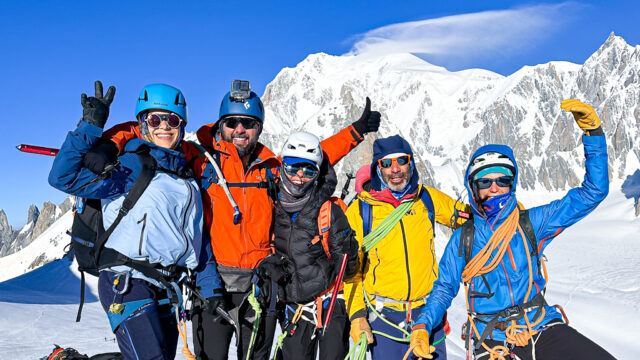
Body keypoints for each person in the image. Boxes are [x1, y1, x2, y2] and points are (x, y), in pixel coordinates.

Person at [90, 81, 382, 359]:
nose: (240, 129)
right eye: (232, 122)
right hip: (212, 284)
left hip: (260, 286)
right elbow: (151, 133)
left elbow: (309, 160)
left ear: (259, 128)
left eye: (249, 123)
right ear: (221, 125)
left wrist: (355, 133)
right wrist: (110, 143)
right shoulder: (201, 159)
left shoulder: (269, 169)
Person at [409, 99, 615, 360]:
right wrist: (422, 326)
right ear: (473, 188)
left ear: (512, 183)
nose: (494, 187)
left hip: (539, 324)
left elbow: (593, 193)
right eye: (485, 181)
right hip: (490, 337)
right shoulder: (465, 239)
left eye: (502, 180)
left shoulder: (530, 223)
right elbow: (443, 289)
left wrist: (593, 134)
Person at [48, 81, 222, 360]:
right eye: (155, 119)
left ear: (182, 125)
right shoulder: (130, 166)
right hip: (126, 282)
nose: (164, 126)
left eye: (172, 120)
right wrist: (90, 127)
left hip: (169, 287)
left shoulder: (188, 179)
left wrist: (211, 287)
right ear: (142, 123)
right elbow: (62, 177)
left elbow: (198, 244)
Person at [343, 135, 470, 359]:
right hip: (384, 318)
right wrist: (356, 316)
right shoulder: (361, 211)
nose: (395, 169)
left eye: (401, 160)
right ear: (377, 167)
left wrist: (505, 210)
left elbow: (467, 217)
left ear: (410, 162)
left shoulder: (426, 198)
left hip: (428, 313)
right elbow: (352, 272)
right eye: (386, 163)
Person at [258, 131, 359, 359]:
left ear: (317, 173)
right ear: (283, 167)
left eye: (309, 170)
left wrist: (349, 253)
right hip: (294, 307)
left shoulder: (328, 211)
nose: (300, 176)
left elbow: (349, 268)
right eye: (293, 167)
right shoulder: (270, 204)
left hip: (330, 304)